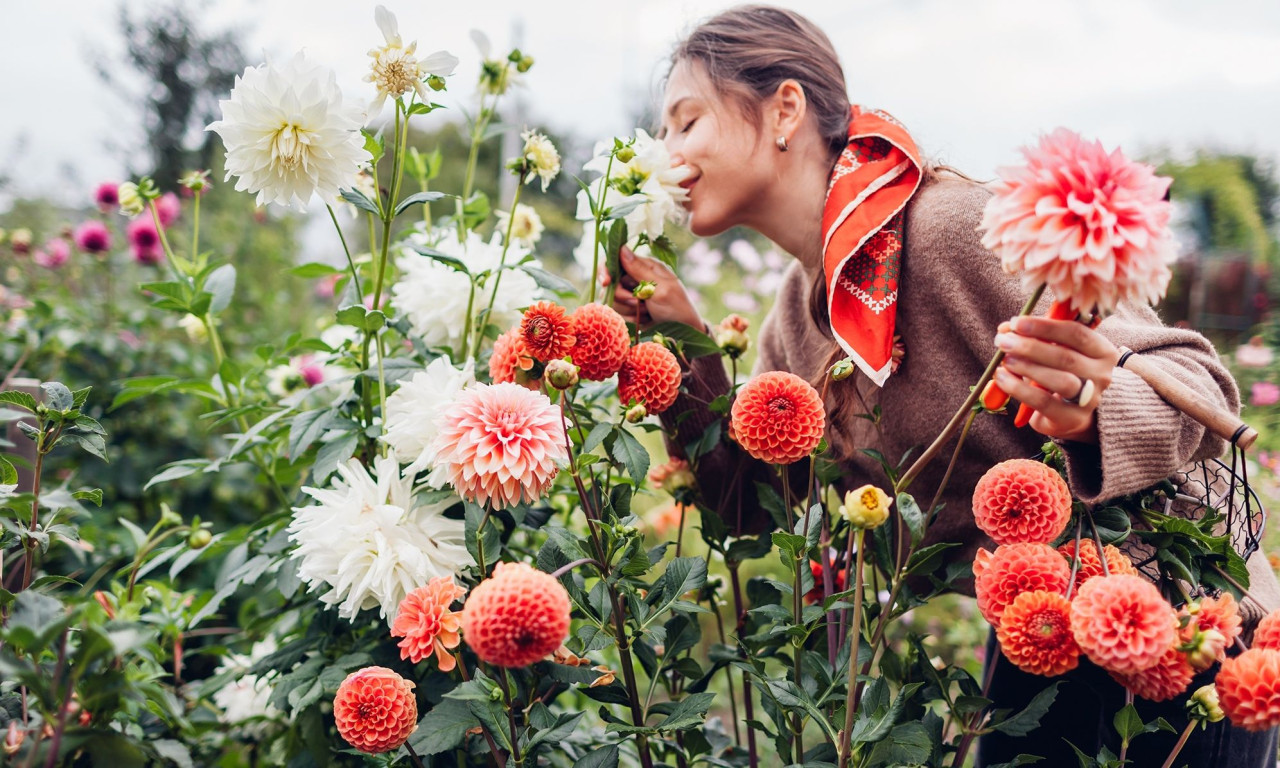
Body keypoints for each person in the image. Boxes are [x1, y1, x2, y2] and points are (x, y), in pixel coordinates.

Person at [609, 5, 1280, 766]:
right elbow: (747, 508)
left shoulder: (955, 228)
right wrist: (683, 344)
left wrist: (1093, 410)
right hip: (1038, 633)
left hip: (1177, 633)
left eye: (686, 122)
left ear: (784, 110)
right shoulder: (796, 320)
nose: (668, 152)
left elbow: (1199, 387)